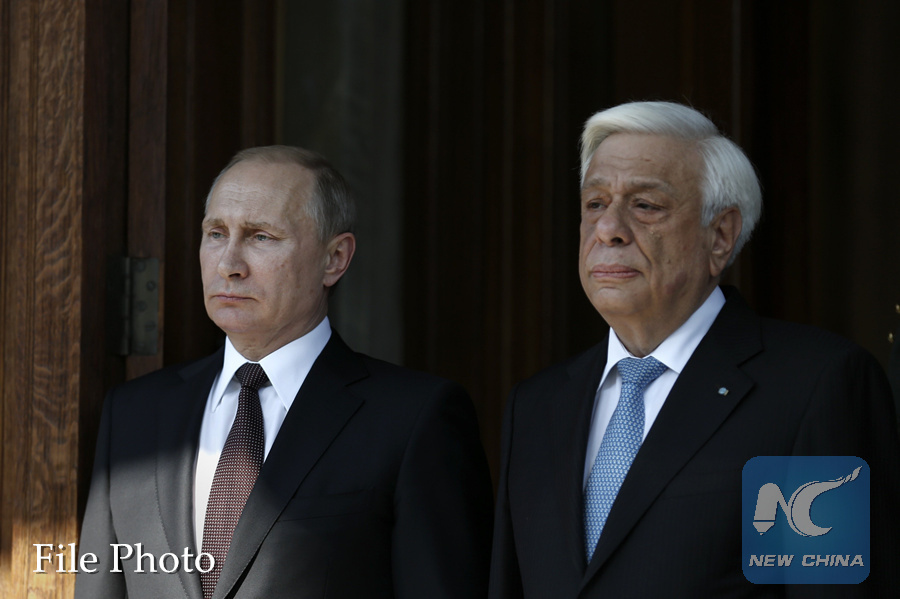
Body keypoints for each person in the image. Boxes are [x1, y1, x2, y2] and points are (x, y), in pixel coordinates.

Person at [488, 101, 900, 597]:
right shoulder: (536, 406)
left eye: (645, 205)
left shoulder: (812, 387)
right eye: (595, 203)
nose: (607, 229)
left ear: (720, 236)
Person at [76, 146, 494, 599]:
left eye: (261, 237)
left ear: (335, 258)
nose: (228, 265)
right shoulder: (133, 413)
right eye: (216, 233)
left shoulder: (414, 418)